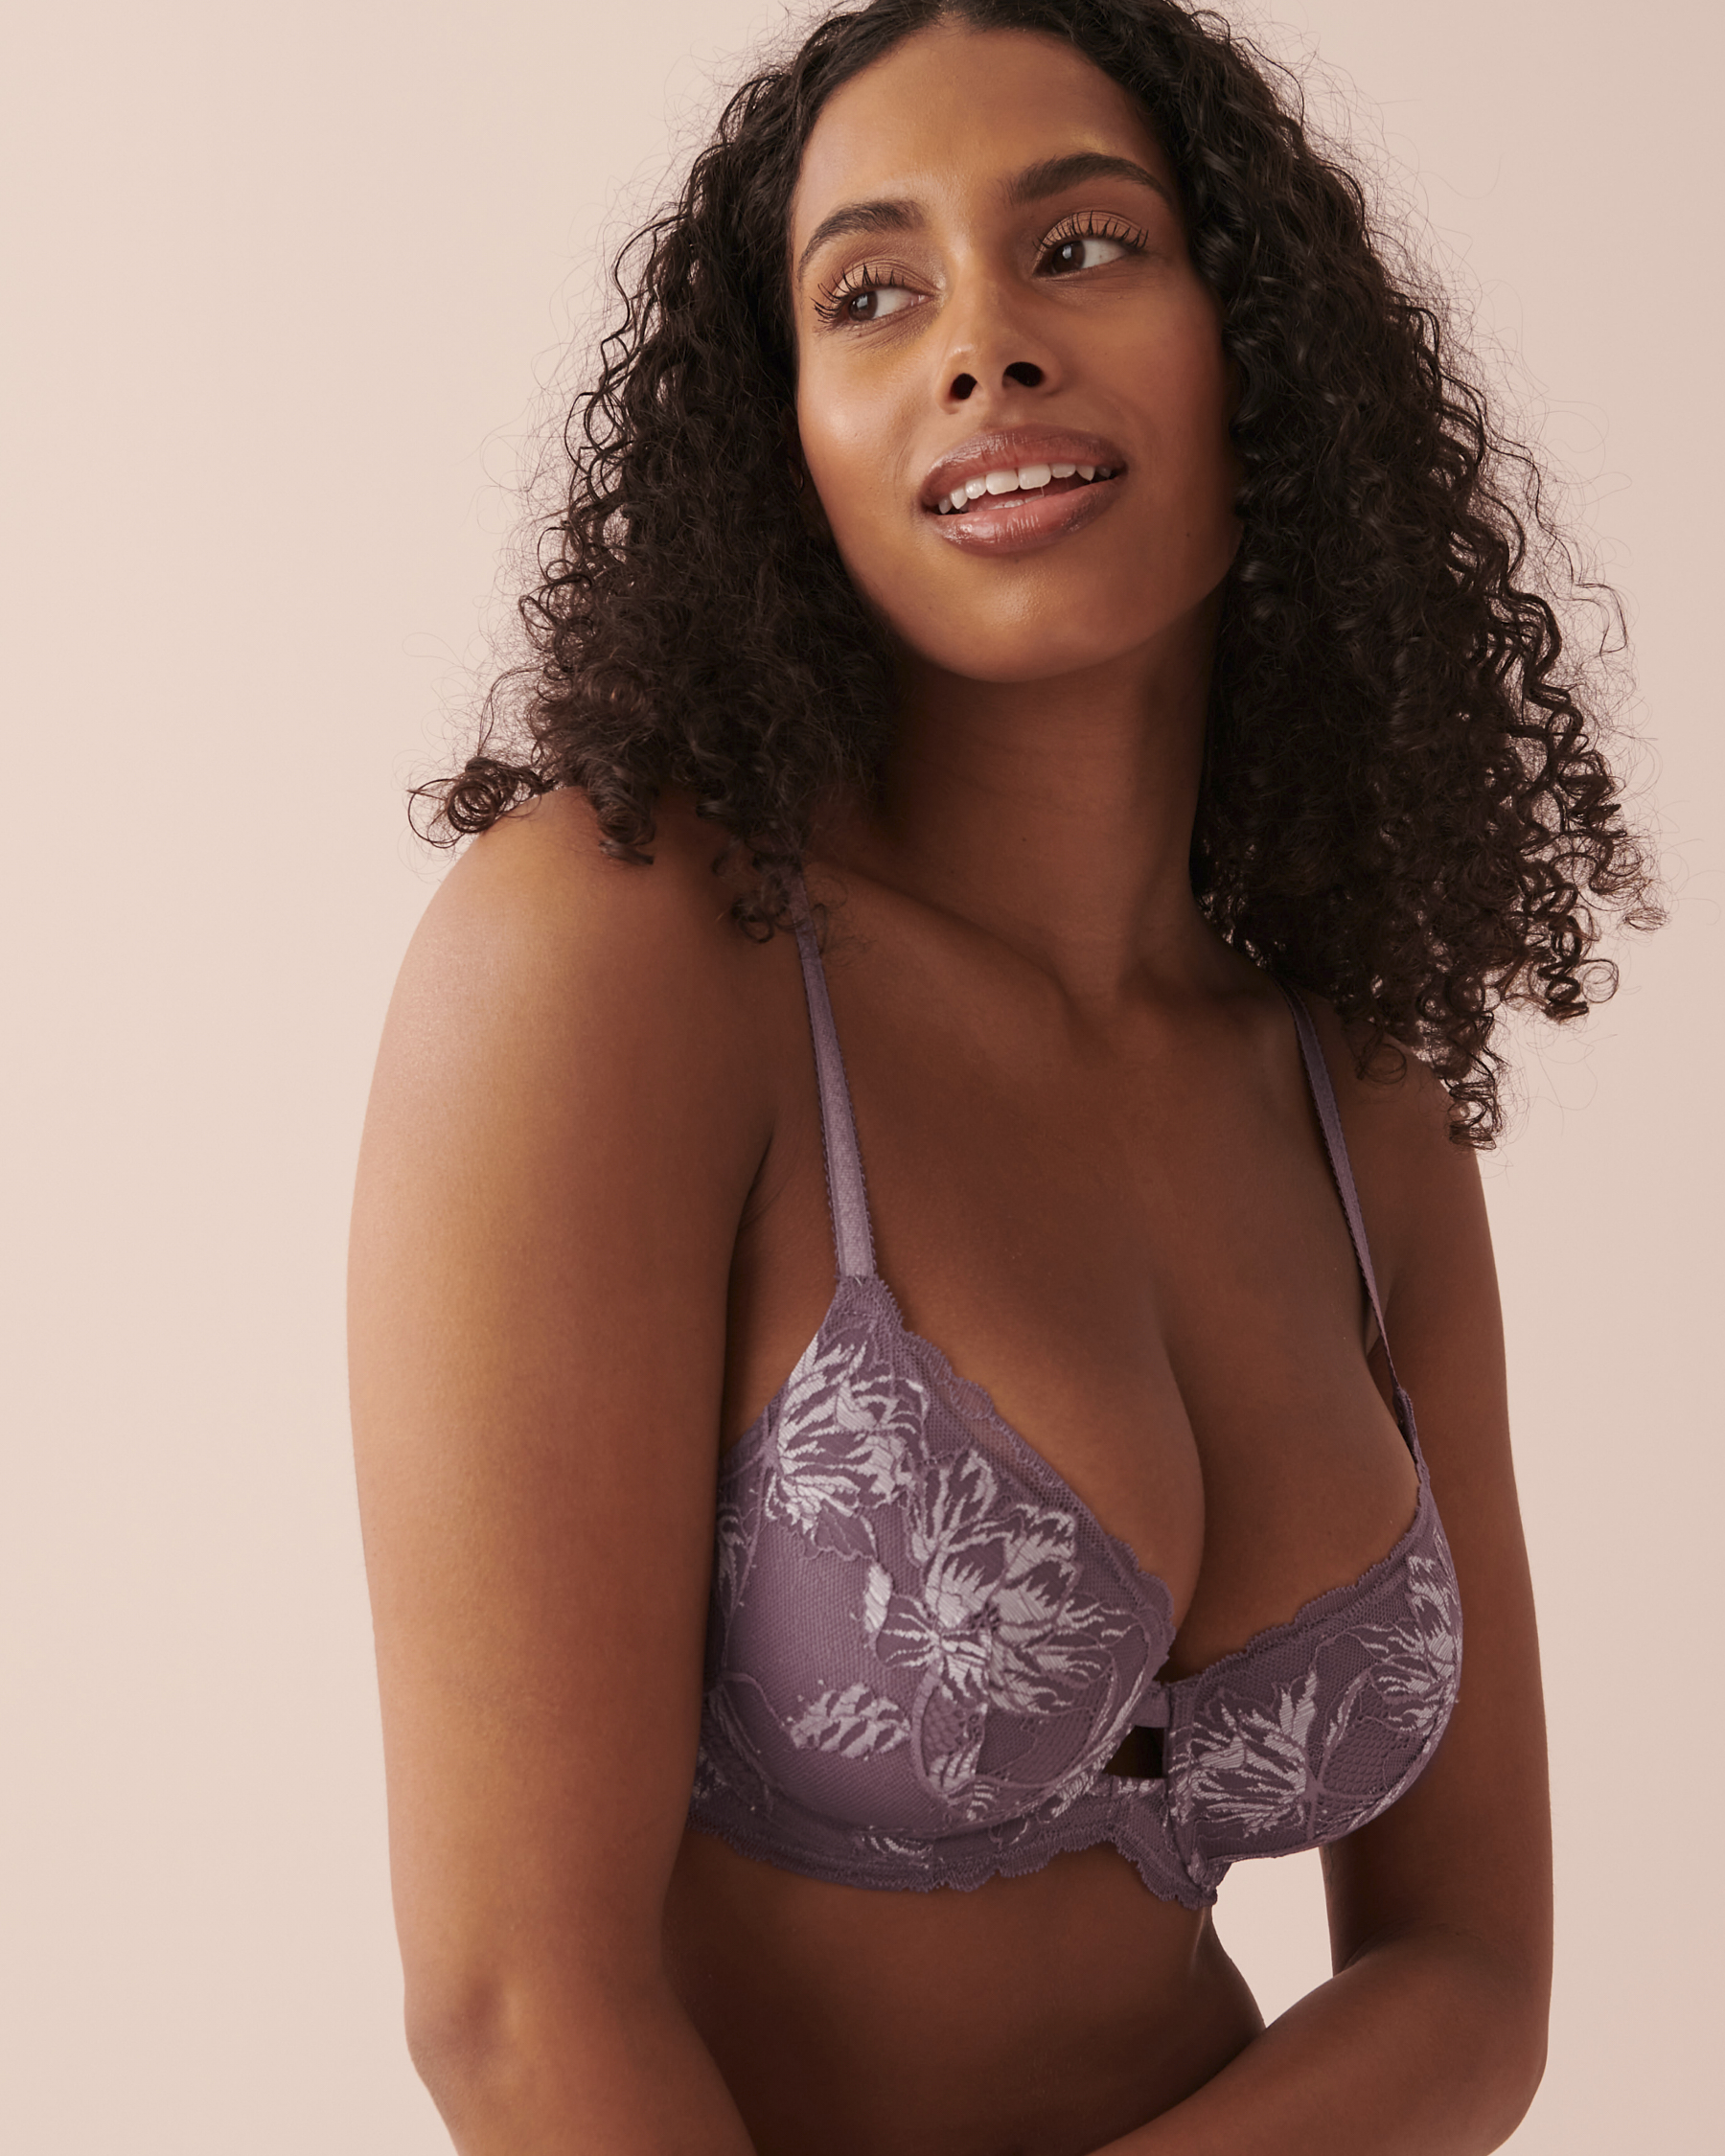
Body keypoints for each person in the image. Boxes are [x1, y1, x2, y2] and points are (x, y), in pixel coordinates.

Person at [348, 4, 1653, 2150]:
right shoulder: (632, 950)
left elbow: (1470, 1976)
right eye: (871, 293)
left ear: (1264, 357)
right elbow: (515, 2006)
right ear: (786, 436)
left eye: (1082, 247)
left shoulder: (1354, 1081)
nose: (982, 348)